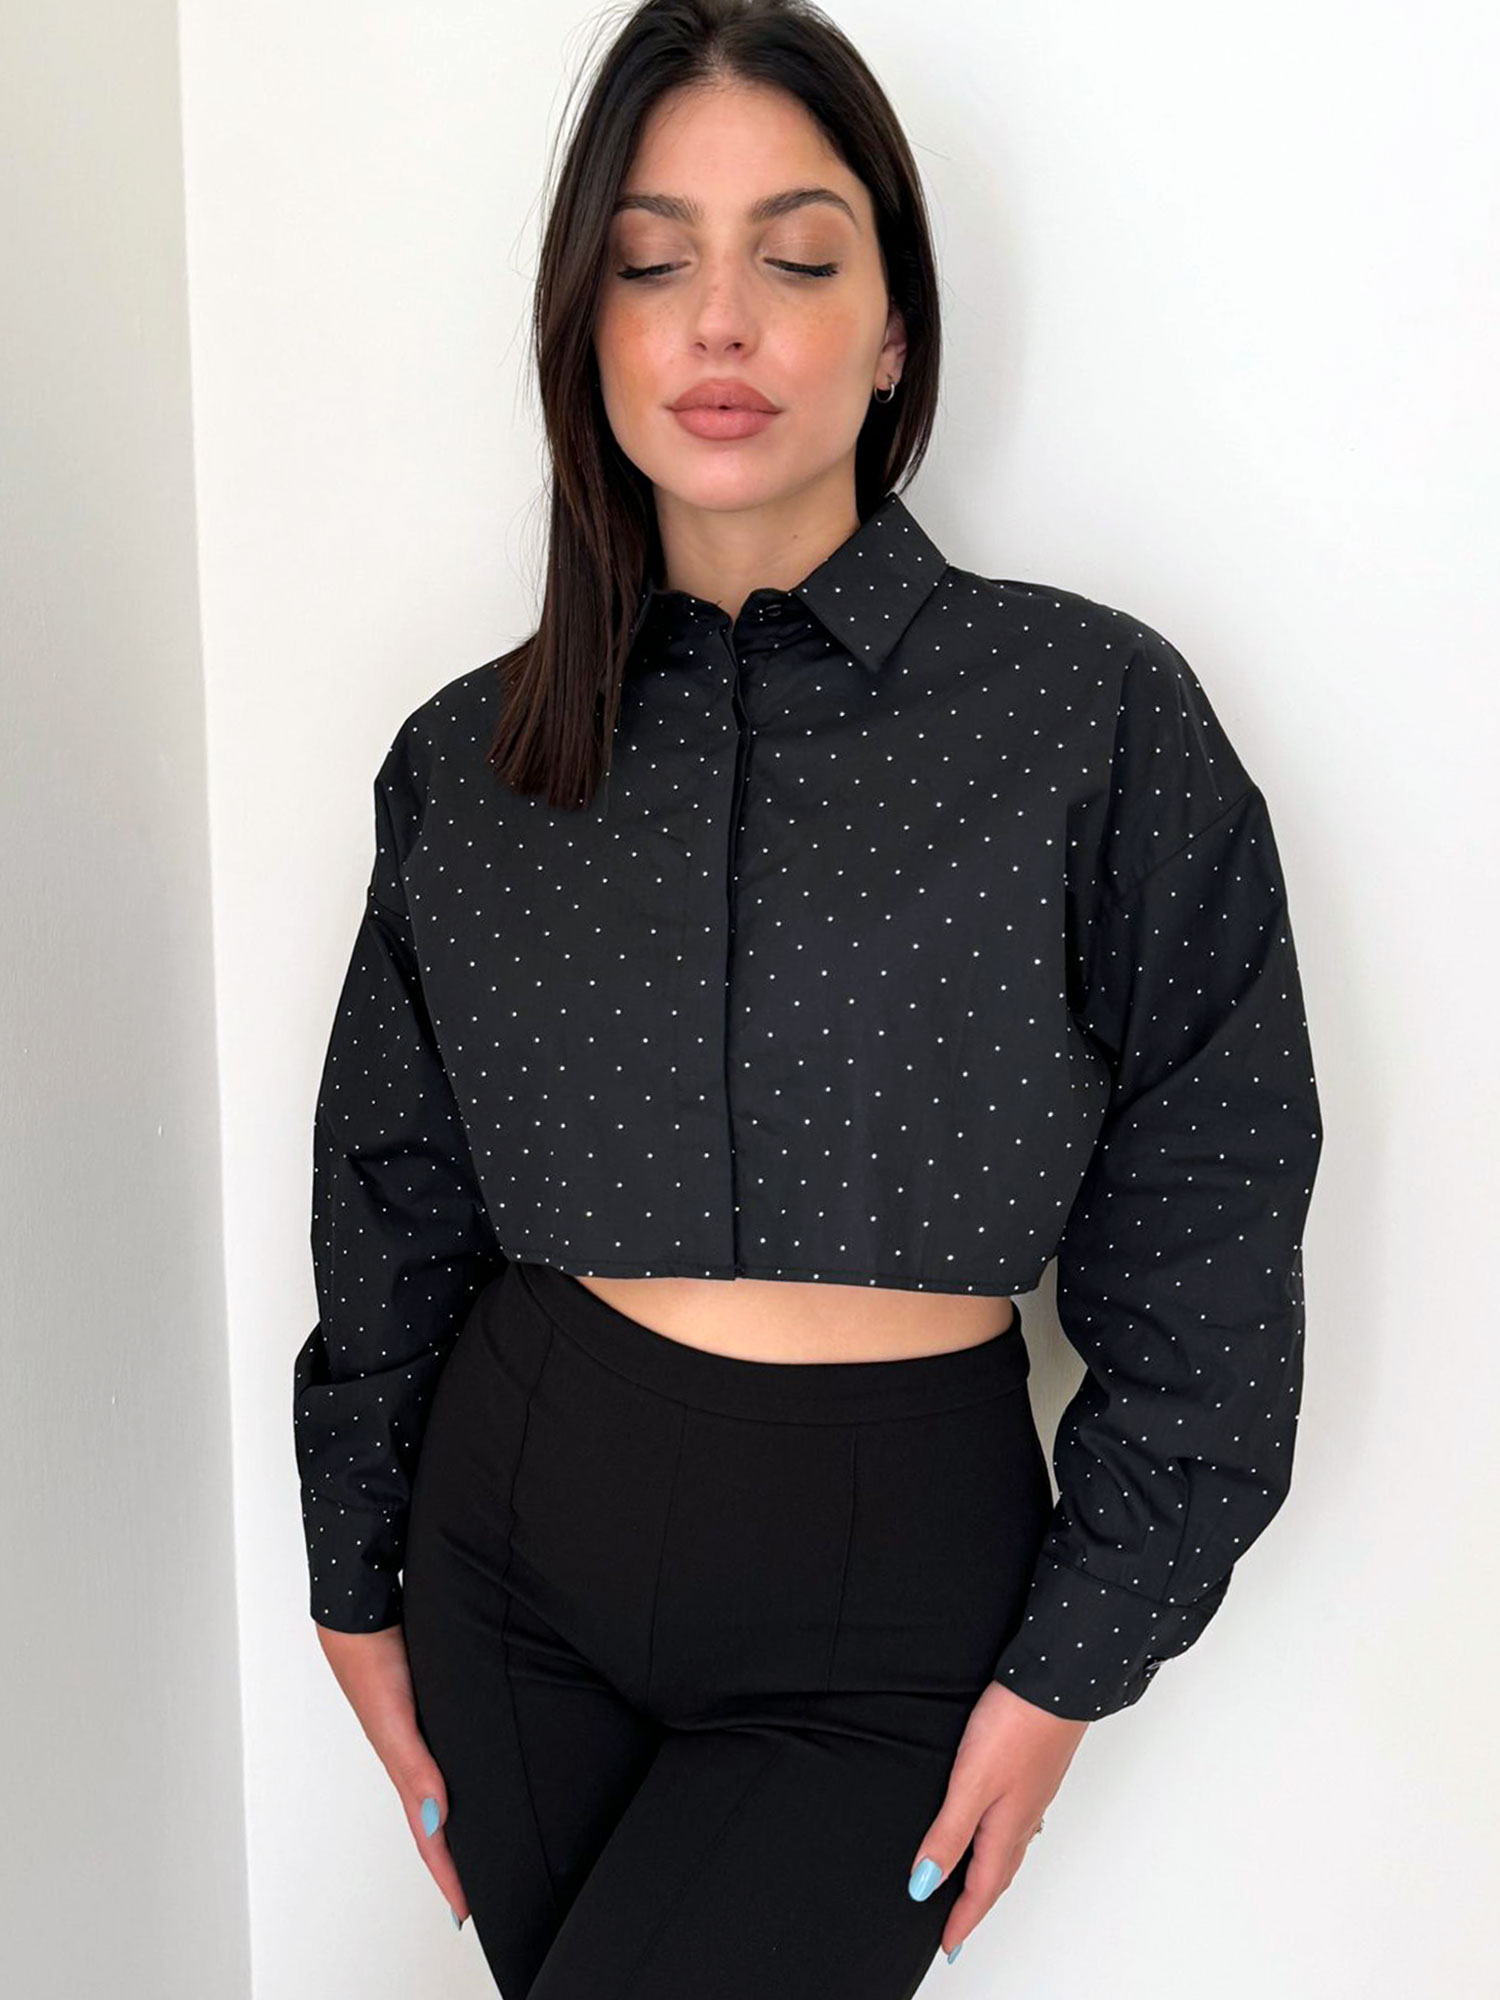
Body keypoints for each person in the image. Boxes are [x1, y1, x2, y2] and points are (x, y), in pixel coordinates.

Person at [291, 2, 1324, 1993]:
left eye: (797, 256)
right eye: (652, 262)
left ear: (896, 325)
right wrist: (354, 1575)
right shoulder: (468, 762)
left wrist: (1078, 1658)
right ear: (586, 331)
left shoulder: (1090, 716)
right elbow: (392, 1191)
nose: (720, 321)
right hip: (508, 1559)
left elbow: (1210, 1193)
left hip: (888, 1590)